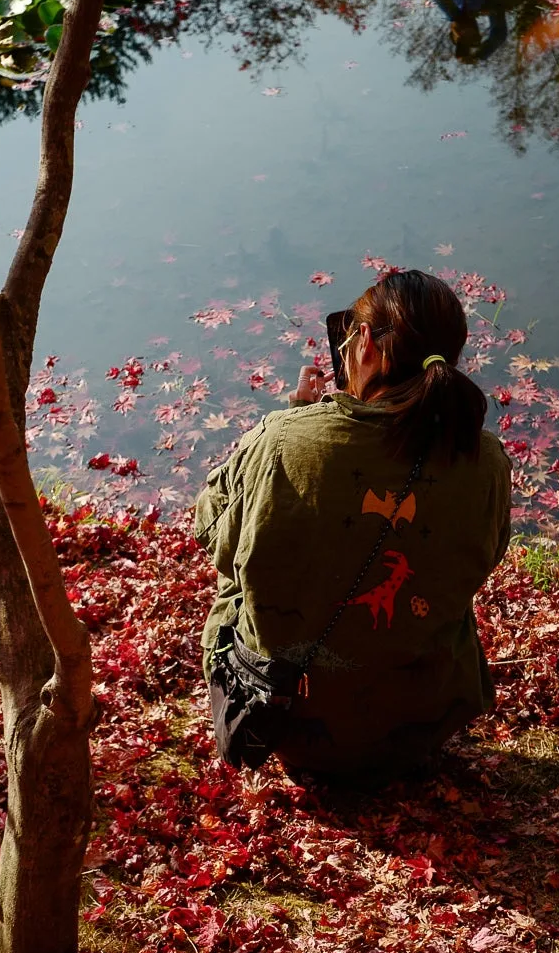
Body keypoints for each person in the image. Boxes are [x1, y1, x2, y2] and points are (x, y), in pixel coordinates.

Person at [194, 270, 513, 781]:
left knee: (240, 574)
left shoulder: (284, 441)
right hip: (421, 724)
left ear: (363, 342)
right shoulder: (487, 459)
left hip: (289, 723)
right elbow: (487, 555)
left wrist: (296, 418)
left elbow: (212, 532)